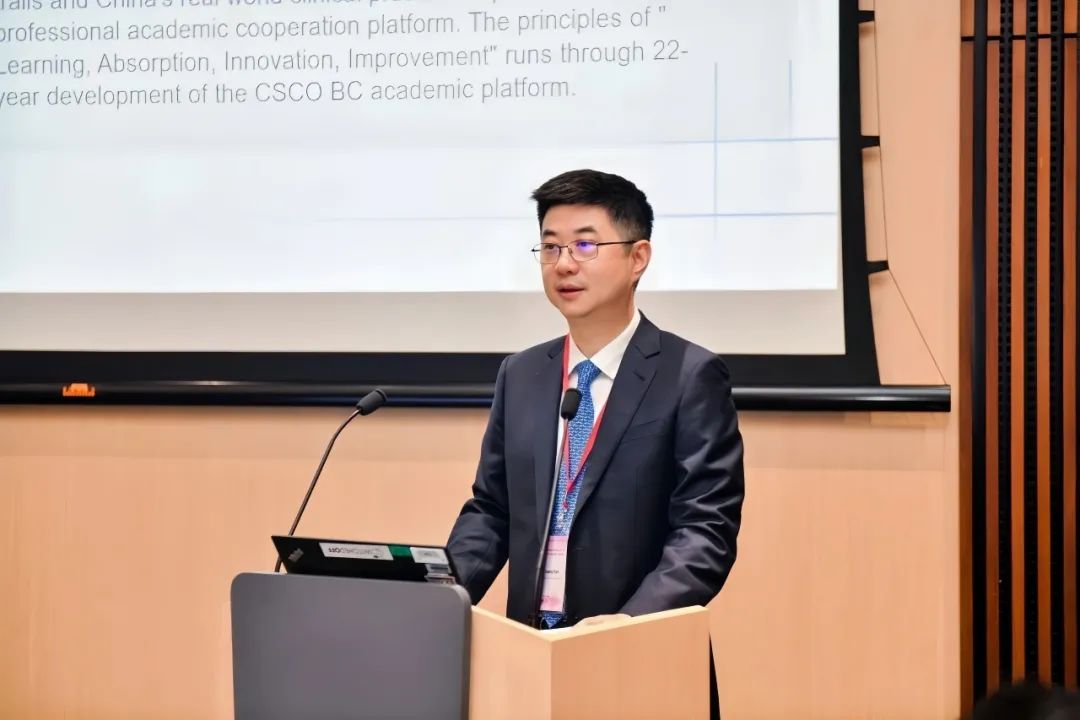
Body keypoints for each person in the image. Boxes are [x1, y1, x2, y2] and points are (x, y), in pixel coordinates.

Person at [447, 169, 744, 718]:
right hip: (526, 654)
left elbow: (705, 530)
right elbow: (491, 509)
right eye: (550, 247)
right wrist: (443, 592)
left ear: (638, 257)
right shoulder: (522, 373)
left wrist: (629, 623)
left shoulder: (689, 375)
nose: (564, 264)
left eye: (585, 245)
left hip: (637, 656)